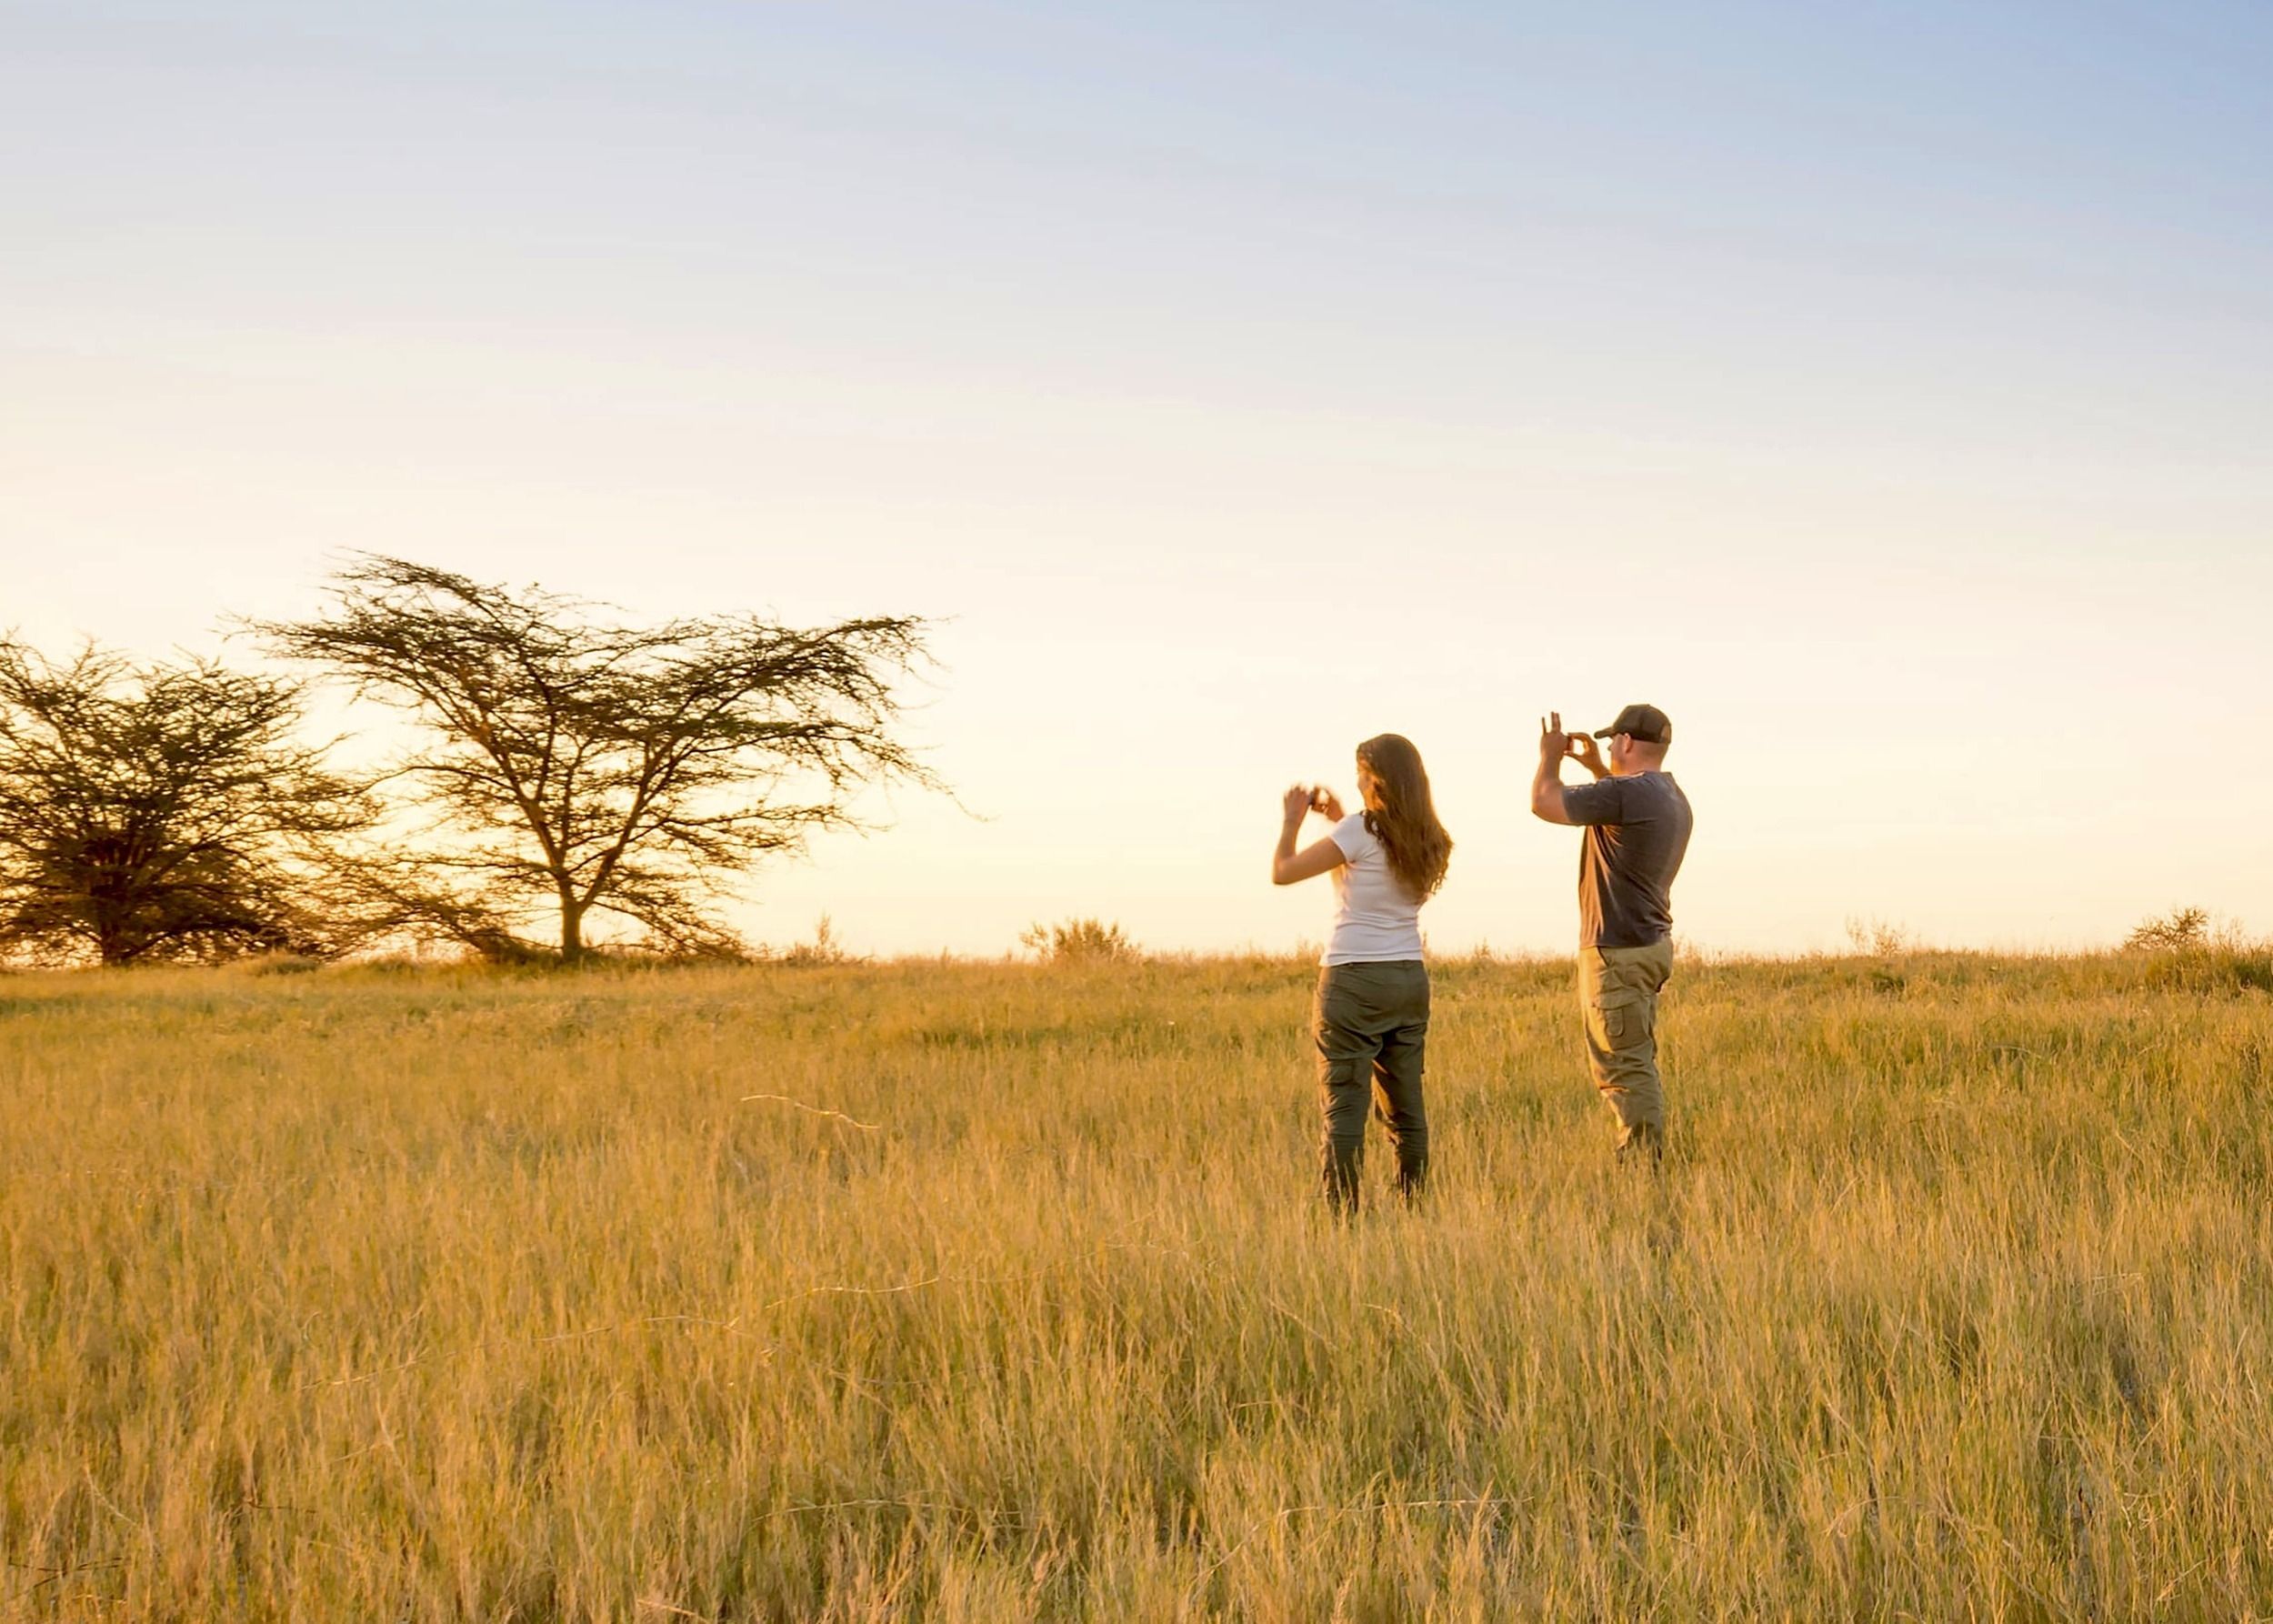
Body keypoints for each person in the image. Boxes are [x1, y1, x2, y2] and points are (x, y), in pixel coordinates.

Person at [1272, 733, 1453, 1213]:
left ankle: (1343, 1218)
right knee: (1407, 1108)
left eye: (1361, 772)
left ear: (1376, 779)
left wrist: (1291, 822)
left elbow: (1284, 871)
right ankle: (1413, 1207)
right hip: (1408, 978)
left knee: (1345, 1109)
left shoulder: (1359, 831)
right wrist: (1336, 819)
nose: (1356, 779)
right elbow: (1371, 865)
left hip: (1352, 979)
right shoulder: (1428, 836)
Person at [1531, 704, 1694, 1163]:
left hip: (1617, 950)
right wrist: (1594, 767)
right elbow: (1618, 800)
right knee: (1635, 1058)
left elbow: (1544, 801)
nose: (1606, 748)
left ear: (1625, 742)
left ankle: (1642, 1166)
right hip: (1646, 944)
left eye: (1610, 742)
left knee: (1625, 1068)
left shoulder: (1632, 795)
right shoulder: (1669, 794)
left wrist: (1549, 757)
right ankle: (1645, 1155)